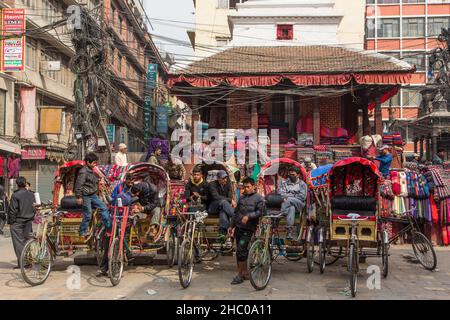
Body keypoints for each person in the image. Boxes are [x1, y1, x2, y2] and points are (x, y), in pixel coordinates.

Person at [228, 177, 265, 285]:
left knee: (241, 249)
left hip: (248, 229)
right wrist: (231, 225)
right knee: (239, 252)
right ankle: (244, 272)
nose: (246, 189)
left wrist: (249, 216)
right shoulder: (242, 198)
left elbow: (260, 212)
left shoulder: (259, 198)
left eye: (248, 187)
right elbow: (236, 213)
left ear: (253, 186)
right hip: (238, 228)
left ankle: (239, 275)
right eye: (244, 187)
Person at [75, 153, 111, 237]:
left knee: (104, 207)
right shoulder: (83, 172)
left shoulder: (91, 170)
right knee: (88, 214)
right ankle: (82, 231)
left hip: (93, 195)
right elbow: (78, 185)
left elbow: (92, 180)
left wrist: (99, 180)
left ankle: (108, 227)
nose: (96, 164)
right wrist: (79, 197)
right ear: (88, 162)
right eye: (94, 162)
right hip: (86, 195)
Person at [8, 177, 36, 268]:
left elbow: (12, 210)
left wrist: (11, 222)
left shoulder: (15, 195)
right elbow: (35, 207)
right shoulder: (32, 194)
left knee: (18, 243)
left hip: (18, 222)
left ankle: (23, 263)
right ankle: (28, 262)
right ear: (25, 183)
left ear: (17, 184)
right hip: (29, 221)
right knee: (27, 241)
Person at [278, 166, 307, 240]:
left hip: (299, 204)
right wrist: (293, 194)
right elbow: (281, 194)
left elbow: (302, 197)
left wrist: (289, 196)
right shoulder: (285, 183)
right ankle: (289, 232)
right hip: (289, 205)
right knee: (291, 209)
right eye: (290, 174)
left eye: (293, 175)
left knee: (289, 199)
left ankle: (279, 214)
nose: (291, 176)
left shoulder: (302, 184)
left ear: (298, 175)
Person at [207, 170, 236, 241]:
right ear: (218, 178)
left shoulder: (228, 184)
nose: (225, 180)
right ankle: (236, 215)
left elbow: (230, 196)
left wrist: (229, 200)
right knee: (223, 202)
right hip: (213, 207)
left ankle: (222, 232)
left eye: (226, 178)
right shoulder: (212, 184)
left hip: (223, 207)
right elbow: (215, 197)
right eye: (223, 178)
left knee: (223, 211)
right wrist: (229, 200)